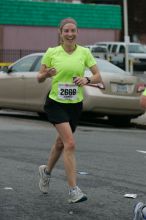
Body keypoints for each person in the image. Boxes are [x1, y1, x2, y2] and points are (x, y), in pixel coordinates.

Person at [37, 17, 102, 204]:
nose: (70, 34)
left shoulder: (84, 53)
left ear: (77, 32)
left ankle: (46, 172)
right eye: (66, 31)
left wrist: (87, 80)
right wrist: (46, 74)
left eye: (73, 30)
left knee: (61, 144)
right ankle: (74, 190)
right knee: (70, 143)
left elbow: (98, 76)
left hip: (75, 105)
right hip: (56, 103)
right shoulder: (51, 53)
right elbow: (39, 78)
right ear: (60, 33)